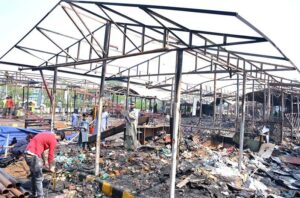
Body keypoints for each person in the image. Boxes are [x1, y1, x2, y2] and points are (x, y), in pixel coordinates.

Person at [24, 132, 65, 198]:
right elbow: (50, 155)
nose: (57, 141)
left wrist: (45, 161)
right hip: (34, 156)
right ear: (58, 135)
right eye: (59, 139)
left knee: (34, 175)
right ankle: (40, 196)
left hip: (27, 155)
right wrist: (51, 167)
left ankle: (34, 193)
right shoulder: (53, 139)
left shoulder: (45, 134)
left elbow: (41, 149)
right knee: (39, 178)